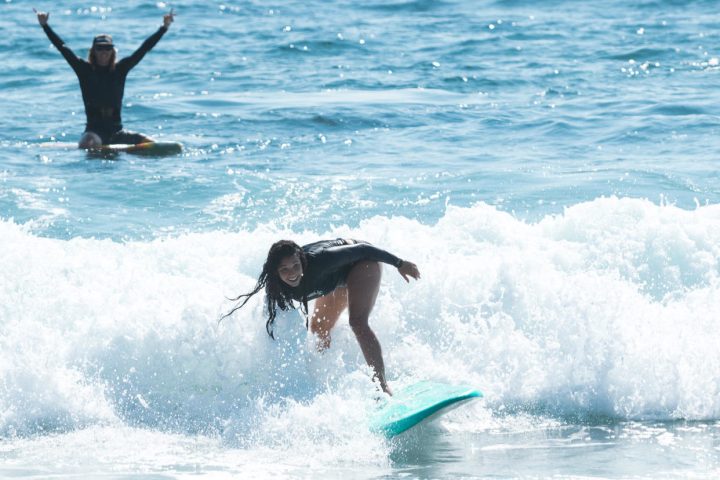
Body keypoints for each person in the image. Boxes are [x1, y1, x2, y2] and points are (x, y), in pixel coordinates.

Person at [224, 239, 421, 394]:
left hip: (362, 262)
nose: (291, 273)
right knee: (319, 329)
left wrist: (399, 263)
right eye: (284, 270)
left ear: (302, 261)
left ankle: (382, 387)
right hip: (335, 279)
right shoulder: (276, 288)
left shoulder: (321, 259)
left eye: (295, 266)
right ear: (275, 272)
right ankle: (324, 383)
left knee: (357, 322)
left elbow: (363, 250)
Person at [34, 8, 175, 148]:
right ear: (93, 51)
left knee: (151, 143)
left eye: (107, 48)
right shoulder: (84, 70)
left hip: (117, 132)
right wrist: (45, 26)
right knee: (87, 142)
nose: (104, 52)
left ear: (112, 51)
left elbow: (144, 49)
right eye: (99, 48)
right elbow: (63, 48)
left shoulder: (121, 69)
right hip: (94, 133)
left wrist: (164, 27)